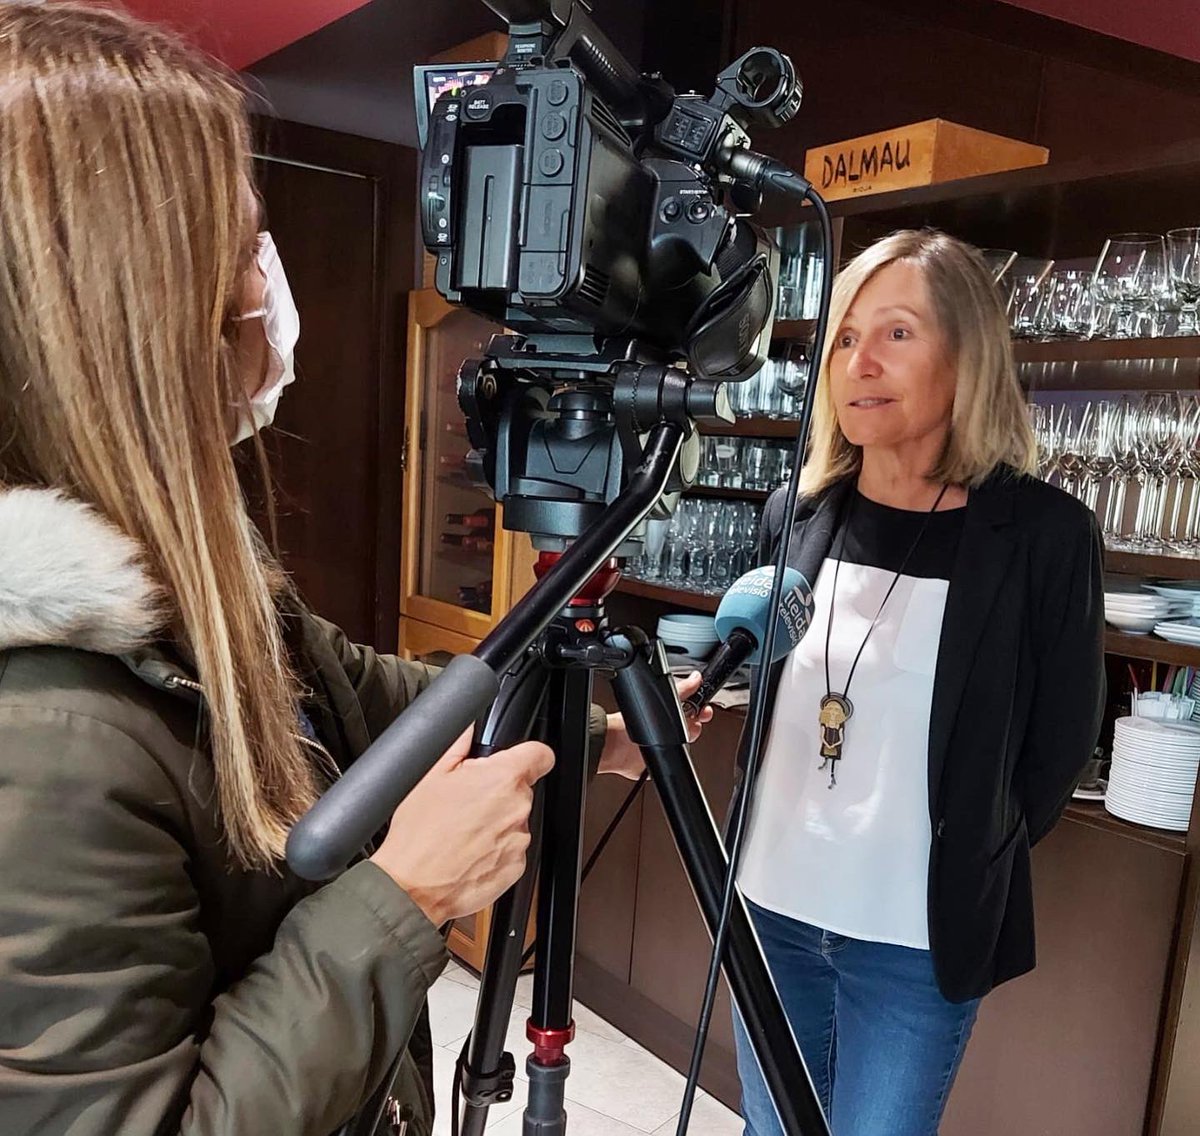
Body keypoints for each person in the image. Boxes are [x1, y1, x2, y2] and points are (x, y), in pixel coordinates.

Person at [0, 6, 709, 1134]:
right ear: (137, 312)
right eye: (242, 252)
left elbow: (376, 702)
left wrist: (587, 722)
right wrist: (403, 899)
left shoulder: (183, 582)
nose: (266, 290)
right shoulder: (41, 733)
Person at [731, 229, 1105, 1136]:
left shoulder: (1043, 534)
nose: (862, 360)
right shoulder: (800, 512)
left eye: (897, 333)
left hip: (912, 938)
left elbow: (1058, 746)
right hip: (770, 907)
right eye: (848, 336)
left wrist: (978, 842)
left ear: (967, 356)